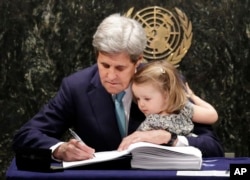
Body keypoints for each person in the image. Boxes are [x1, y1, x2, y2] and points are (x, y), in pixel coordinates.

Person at [12, 13, 224, 163]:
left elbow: (214, 147)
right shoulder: (76, 87)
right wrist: (59, 149)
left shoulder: (164, 80)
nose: (110, 76)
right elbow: (27, 134)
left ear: (138, 61)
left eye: (120, 68)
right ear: (97, 56)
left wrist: (171, 139)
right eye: (104, 65)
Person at [131, 60, 218, 142]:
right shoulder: (148, 122)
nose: (141, 104)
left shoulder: (183, 109)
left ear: (166, 95)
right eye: (138, 99)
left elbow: (212, 116)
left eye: (147, 99)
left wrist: (193, 97)